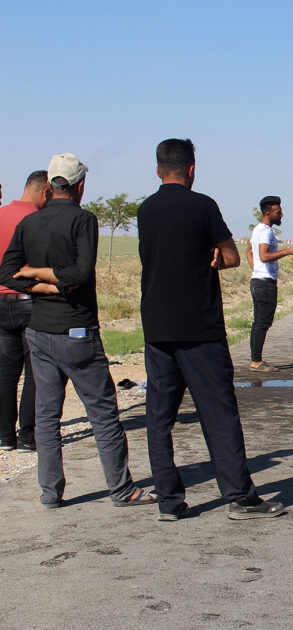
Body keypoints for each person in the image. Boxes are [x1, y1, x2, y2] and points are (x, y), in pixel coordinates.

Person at [138, 138, 284, 521]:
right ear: (191, 170)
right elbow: (233, 257)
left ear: (158, 170)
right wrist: (215, 259)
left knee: (159, 418)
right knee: (218, 415)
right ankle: (240, 497)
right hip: (200, 328)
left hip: (156, 327)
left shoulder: (145, 210)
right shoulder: (203, 205)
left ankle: (169, 502)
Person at [0, 153, 154, 509]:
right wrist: (55, 283)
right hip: (77, 330)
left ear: (51, 184)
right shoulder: (84, 220)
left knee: (46, 416)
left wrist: (36, 276)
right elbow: (80, 273)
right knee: (102, 412)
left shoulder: (31, 223)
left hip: (38, 331)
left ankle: (50, 492)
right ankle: (121, 489)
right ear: (81, 185)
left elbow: (7, 273)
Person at [0, 171, 50, 453]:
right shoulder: (39, 221)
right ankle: (28, 437)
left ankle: (5, 437)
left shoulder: (1, 214)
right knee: (34, 372)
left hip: (1, 301)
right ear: (44, 191)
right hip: (31, 300)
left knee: (6, 372)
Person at [245, 195, 293, 372]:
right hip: (264, 284)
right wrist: (289, 251)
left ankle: (255, 359)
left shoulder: (257, 229)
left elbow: (249, 252)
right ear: (268, 213)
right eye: (278, 212)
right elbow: (263, 255)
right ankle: (256, 361)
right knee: (262, 323)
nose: (281, 215)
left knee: (259, 322)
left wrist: (257, 269)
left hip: (259, 280)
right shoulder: (266, 231)